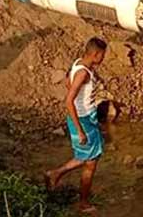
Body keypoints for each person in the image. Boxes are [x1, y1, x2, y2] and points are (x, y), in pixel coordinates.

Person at [45, 38, 108, 214]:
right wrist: (80, 130)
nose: (103, 58)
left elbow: (67, 82)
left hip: (84, 117)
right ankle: (83, 202)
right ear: (96, 54)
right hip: (83, 119)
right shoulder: (83, 73)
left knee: (86, 157)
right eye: (103, 54)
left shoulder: (79, 64)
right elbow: (68, 101)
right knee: (91, 162)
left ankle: (56, 174)